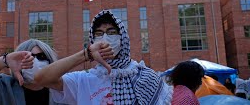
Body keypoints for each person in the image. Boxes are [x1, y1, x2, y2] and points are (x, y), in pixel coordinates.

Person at [34, 10, 173, 104]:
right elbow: (41, 78)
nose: (105, 38)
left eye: (111, 32)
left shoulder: (144, 76)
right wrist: (86, 54)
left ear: (122, 38)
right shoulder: (84, 80)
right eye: (99, 34)